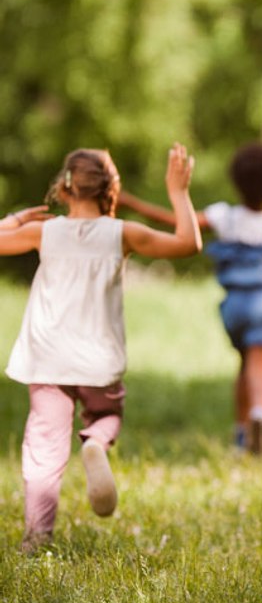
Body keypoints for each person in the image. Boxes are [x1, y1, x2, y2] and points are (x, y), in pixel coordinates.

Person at [1, 144, 201, 554]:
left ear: (65, 188)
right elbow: (187, 244)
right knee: (106, 413)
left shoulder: (45, 231)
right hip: (98, 361)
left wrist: (17, 217)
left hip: (47, 358)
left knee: (43, 445)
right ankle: (95, 443)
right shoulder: (123, 233)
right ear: (110, 189)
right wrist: (178, 192)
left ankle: (37, 536)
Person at [119, 143, 262, 455]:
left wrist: (129, 200)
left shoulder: (224, 216)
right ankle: (259, 412)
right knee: (258, 366)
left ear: (236, 181)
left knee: (243, 365)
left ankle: (240, 436)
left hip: (234, 306)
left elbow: (170, 220)